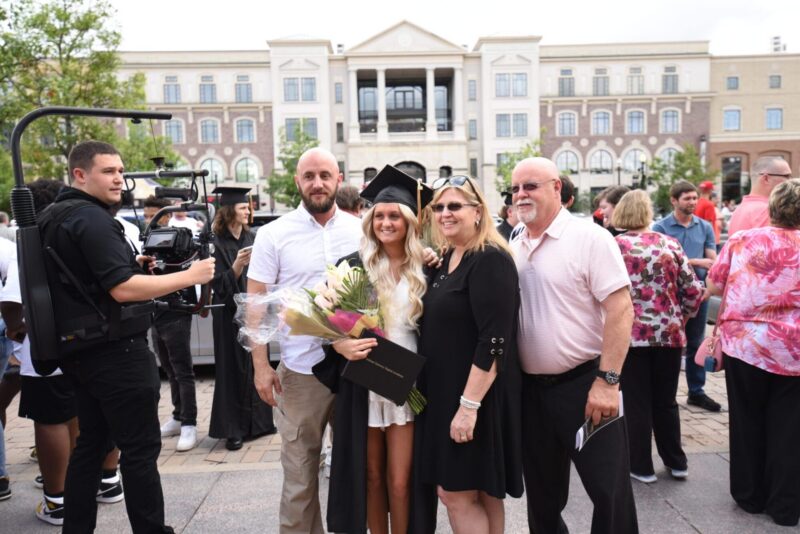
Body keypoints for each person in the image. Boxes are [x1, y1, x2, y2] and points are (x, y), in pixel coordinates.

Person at [38, 140, 215, 534]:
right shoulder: (92, 218)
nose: (119, 178)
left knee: (92, 446)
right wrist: (191, 276)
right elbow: (121, 289)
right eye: (108, 171)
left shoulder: (54, 215)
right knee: (139, 451)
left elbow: (81, 274)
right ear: (80, 174)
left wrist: (130, 262)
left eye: (120, 170)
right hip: (117, 352)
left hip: (81, 351)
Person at [511, 157, 638, 534]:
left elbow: (621, 310)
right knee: (543, 497)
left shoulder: (590, 238)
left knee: (608, 492)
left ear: (556, 188)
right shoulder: (514, 242)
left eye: (530, 186)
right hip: (532, 393)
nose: (521, 194)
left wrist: (608, 381)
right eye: (515, 188)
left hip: (586, 386)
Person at [312, 166, 433, 534]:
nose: (385, 222)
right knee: (371, 476)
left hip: (407, 384)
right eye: (378, 215)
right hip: (364, 381)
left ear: (409, 220)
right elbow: (324, 322)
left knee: (400, 480)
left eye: (394, 215)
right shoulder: (353, 267)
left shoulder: (427, 268)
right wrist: (340, 343)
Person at [247, 147, 362, 534]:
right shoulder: (273, 234)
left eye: (325, 176)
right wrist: (261, 367)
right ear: (297, 181)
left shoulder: (361, 230)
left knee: (358, 471)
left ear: (338, 180)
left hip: (356, 371)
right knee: (299, 475)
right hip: (301, 372)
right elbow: (256, 306)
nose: (317, 183)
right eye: (309, 176)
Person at [414, 174, 523, 534]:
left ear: (478, 211)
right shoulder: (447, 259)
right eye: (439, 207)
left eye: (455, 206)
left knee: (455, 493)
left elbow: (495, 340)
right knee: (482, 493)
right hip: (447, 392)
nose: (445, 213)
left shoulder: (490, 259)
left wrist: (468, 407)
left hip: (474, 395)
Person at [706, 179, 800, 527]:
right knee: (790, 428)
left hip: (746, 344)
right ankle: (785, 504)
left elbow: (715, 284)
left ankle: (749, 495)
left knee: (746, 421)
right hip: (794, 350)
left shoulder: (743, 240)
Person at [611, 190, 703, 485]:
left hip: (631, 336)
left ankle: (641, 465)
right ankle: (677, 462)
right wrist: (682, 317)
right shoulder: (670, 243)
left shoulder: (616, 246)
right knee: (666, 401)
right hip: (669, 334)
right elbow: (692, 289)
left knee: (636, 402)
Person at [209, 186, 275, 451]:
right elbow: (216, 285)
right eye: (243, 208)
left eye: (248, 207)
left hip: (253, 311)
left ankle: (259, 424)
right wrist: (236, 267)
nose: (248, 211)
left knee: (254, 364)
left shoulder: (254, 237)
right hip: (227, 317)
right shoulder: (215, 243)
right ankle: (232, 430)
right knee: (232, 370)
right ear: (228, 212)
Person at [653, 180, 720, 412]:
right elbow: (661, 260)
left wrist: (708, 263)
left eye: (694, 198)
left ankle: (696, 392)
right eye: (687, 198)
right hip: (670, 295)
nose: (692, 202)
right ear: (674, 200)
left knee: (696, 342)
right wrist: (695, 260)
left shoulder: (704, 226)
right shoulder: (661, 228)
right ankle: (665, 393)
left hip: (699, 292)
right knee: (669, 346)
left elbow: (712, 258)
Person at [728, 156, 793, 236]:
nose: (790, 181)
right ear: (766, 178)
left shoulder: (740, 209)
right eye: (786, 176)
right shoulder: (769, 211)